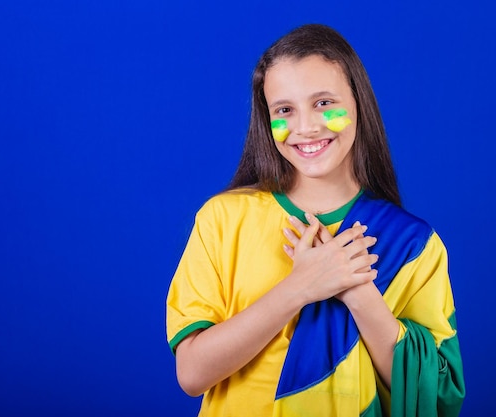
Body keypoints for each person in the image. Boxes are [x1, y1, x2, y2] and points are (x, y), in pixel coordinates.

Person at [166, 23, 465, 417]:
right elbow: (192, 373)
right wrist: (301, 287)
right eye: (284, 110)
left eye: (323, 103)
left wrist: (360, 295)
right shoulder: (223, 218)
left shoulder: (413, 244)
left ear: (358, 101)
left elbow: (439, 396)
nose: (305, 128)